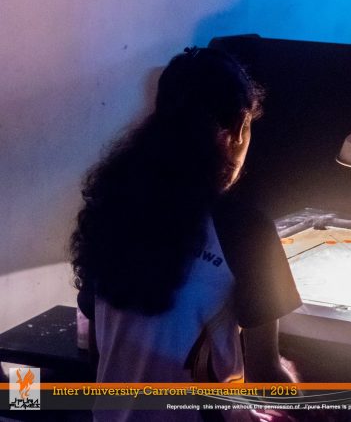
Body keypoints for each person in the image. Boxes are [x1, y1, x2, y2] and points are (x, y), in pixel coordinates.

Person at [71, 47, 302, 421]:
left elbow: (101, 352)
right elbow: (265, 378)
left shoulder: (110, 211)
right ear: (237, 131)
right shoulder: (244, 229)